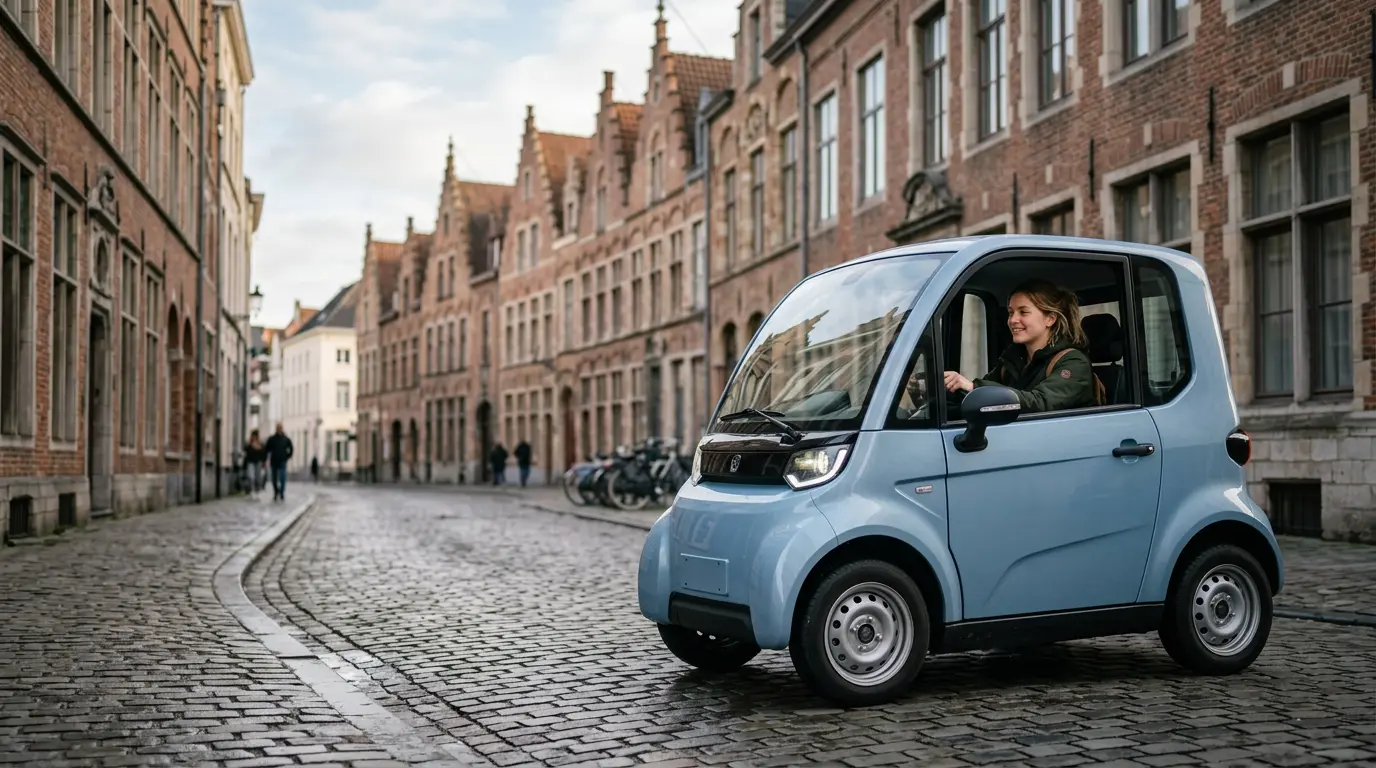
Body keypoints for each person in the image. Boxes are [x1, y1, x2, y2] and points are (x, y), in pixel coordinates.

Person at [942, 278, 1095, 413]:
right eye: (1010, 312)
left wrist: (974, 387)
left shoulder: (1074, 363)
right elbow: (984, 399)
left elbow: (1040, 402)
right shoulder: (1012, 360)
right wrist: (950, 387)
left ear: (1050, 319)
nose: (1013, 320)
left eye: (1023, 312)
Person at [264, 423, 294, 501]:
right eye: (278, 428)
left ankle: (281, 492)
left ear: (282, 429)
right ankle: (276, 491)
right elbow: (267, 448)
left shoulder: (286, 439)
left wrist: (288, 456)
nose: (279, 429)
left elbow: (291, 448)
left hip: (282, 460)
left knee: (282, 477)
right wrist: (266, 457)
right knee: (274, 478)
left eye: (280, 428)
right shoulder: (272, 439)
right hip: (274, 461)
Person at [244, 430, 267, 500]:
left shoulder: (261, 444)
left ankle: (257, 492)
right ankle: (252, 491)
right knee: (251, 477)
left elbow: (264, 453)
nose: (254, 438)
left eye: (255, 436)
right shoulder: (249, 444)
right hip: (250, 462)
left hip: (258, 462)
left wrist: (264, 462)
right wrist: (250, 445)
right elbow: (246, 451)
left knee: (258, 477)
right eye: (253, 436)